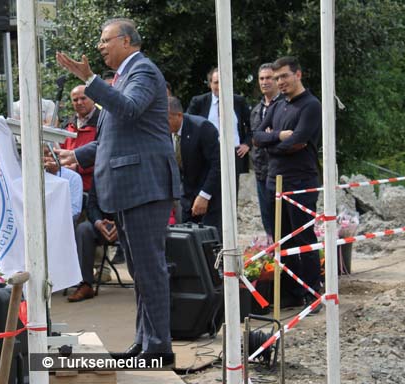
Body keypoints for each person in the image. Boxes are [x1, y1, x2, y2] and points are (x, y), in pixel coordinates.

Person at [55, 18, 180, 361]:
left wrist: (90, 80)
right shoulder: (121, 78)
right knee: (140, 270)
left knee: (149, 268)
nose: (99, 46)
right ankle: (145, 341)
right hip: (129, 188)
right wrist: (74, 155)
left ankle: (158, 348)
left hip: (144, 186)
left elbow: (128, 109)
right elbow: (111, 139)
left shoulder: (143, 71)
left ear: (126, 41)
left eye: (105, 40)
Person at [252, 56, 322, 312]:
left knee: (304, 237)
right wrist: (278, 138)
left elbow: (300, 140)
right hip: (274, 181)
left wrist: (273, 145)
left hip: (300, 181)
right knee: (282, 241)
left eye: (284, 77)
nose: (280, 82)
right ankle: (291, 293)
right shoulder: (278, 105)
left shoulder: (311, 105)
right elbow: (257, 136)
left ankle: (313, 293)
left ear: (298, 75)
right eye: (276, 77)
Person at [187, 67, 251, 194]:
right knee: (207, 195)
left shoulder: (239, 101)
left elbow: (252, 126)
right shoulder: (199, 102)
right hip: (206, 156)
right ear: (210, 83)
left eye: (224, 81)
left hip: (233, 155)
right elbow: (188, 125)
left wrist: (247, 144)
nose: (220, 86)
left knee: (231, 195)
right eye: (216, 82)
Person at [168, 96, 222, 238]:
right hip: (186, 197)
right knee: (188, 242)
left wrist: (204, 195)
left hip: (209, 195)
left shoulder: (202, 128)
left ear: (179, 115)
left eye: (165, 119)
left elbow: (217, 165)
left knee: (211, 241)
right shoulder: (164, 134)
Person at [250, 63, 281, 242]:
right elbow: (254, 138)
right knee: (267, 217)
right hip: (261, 170)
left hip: (279, 171)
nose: (265, 82)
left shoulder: (285, 106)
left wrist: (269, 137)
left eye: (269, 78)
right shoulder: (255, 110)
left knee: (281, 219)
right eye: (261, 78)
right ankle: (271, 251)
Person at [60, 85, 99, 192]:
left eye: (83, 98)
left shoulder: (102, 122)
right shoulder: (67, 124)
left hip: (94, 188)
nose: (79, 102)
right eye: (75, 100)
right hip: (69, 186)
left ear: (93, 98)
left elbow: (105, 155)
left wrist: (77, 168)